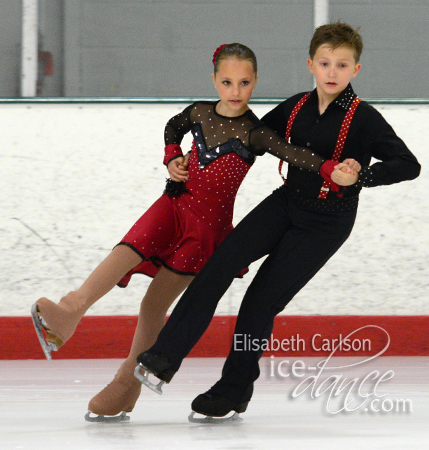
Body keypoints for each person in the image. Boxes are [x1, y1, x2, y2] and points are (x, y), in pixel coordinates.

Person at [31, 43, 352, 422]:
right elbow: (173, 127)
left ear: (255, 82)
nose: (235, 91)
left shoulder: (255, 132)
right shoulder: (199, 112)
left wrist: (328, 169)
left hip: (204, 230)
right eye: (227, 82)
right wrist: (172, 156)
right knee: (124, 252)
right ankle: (69, 311)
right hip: (172, 203)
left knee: (153, 305)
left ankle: (125, 386)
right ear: (214, 79)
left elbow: (292, 152)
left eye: (244, 82)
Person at [135, 22, 421, 421]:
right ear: (310, 64)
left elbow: (408, 165)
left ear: (356, 69)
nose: (332, 72)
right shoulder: (295, 106)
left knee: (260, 301)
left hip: (326, 223)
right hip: (285, 203)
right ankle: (162, 358)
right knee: (218, 265)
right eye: (325, 63)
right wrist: (189, 152)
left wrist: (363, 175)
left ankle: (233, 390)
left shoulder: (364, 118)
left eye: (342, 65)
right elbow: (251, 134)